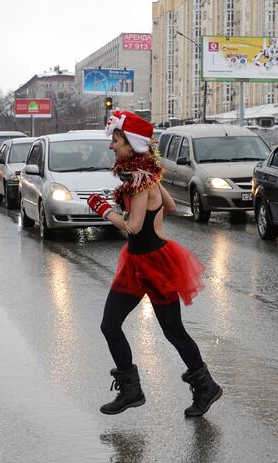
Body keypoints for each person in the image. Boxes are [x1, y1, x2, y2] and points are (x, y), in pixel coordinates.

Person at [86, 110, 223, 417]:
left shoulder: (138, 178)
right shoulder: (148, 174)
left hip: (151, 263)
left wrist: (102, 209)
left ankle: (198, 387)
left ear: (130, 143)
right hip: (143, 260)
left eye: (116, 140)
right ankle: (146, 390)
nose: (111, 146)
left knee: (151, 328)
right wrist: (148, 212)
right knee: (157, 329)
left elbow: (133, 226)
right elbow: (170, 206)